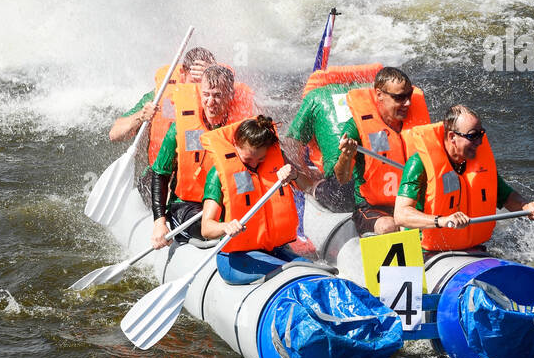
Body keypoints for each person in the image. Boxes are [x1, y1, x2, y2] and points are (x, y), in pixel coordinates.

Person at [394, 104, 534, 255]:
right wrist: (441, 220)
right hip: (425, 251)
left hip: (471, 249)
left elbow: (506, 197)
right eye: (472, 136)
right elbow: (401, 215)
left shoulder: (479, 165)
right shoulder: (418, 163)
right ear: (452, 137)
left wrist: (526, 207)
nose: (479, 142)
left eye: (481, 135)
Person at [200, 116, 316, 284]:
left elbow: (308, 187)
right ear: (236, 146)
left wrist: (295, 174)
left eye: (260, 159)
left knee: (310, 268)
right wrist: (226, 226)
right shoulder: (217, 174)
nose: (254, 164)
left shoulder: (277, 160)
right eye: (248, 159)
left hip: (275, 250)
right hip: (237, 258)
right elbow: (206, 227)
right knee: (295, 275)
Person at [327, 68, 429, 232]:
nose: (408, 103)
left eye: (409, 95)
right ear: (379, 94)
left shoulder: (420, 123)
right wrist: (347, 155)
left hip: (412, 203)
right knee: (388, 226)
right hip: (373, 208)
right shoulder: (355, 127)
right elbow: (343, 178)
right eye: (399, 98)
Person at [149, 65, 237, 249]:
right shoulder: (181, 127)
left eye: (217, 95)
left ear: (230, 95)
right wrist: (159, 222)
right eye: (206, 94)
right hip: (186, 206)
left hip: (226, 203)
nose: (210, 102)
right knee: (215, 224)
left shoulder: (240, 129)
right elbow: (160, 173)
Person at [109, 46, 216, 156]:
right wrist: (142, 116)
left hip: (204, 170)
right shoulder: (160, 95)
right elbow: (114, 134)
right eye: (194, 82)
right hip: (160, 170)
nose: (198, 88)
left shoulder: (219, 98)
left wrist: (214, 75)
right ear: (183, 76)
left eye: (203, 84)